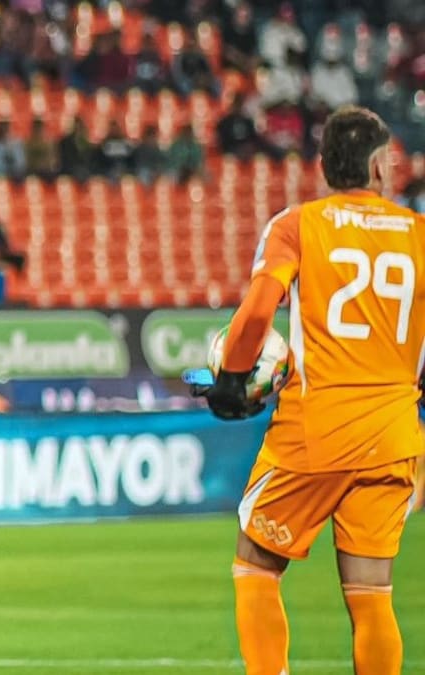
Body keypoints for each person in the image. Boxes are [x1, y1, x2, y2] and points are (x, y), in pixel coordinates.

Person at [192, 107, 421, 675]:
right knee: (372, 594)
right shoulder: (420, 236)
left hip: (316, 425)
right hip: (394, 434)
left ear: (323, 167)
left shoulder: (297, 225)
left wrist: (231, 381)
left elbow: (256, 314)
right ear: (378, 166)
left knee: (256, 563)